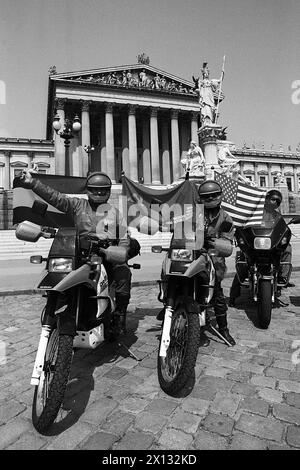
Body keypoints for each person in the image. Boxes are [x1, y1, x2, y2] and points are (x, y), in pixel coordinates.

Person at [21, 170, 132, 334]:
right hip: (80, 254)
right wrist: (33, 183)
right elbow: (56, 197)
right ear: (87, 190)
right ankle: (60, 302)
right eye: (95, 189)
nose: (99, 192)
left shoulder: (116, 213)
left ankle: (120, 314)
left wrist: (120, 251)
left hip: (106, 256)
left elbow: (123, 239)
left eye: (103, 189)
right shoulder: (77, 205)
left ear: (109, 191)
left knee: (123, 273)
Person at [229, 189, 292, 306]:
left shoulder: (277, 215)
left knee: (287, 248)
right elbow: (244, 223)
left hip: (270, 243)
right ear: (267, 199)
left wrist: (285, 232)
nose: (275, 202)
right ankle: (233, 296)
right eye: (273, 199)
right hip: (255, 241)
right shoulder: (254, 211)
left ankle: (283, 276)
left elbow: (282, 227)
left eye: (278, 201)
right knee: (243, 259)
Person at [198, 180, 236, 346]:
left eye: (214, 195)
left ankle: (223, 328)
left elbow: (227, 242)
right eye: (206, 196)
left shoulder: (225, 217)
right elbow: (180, 228)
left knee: (218, 294)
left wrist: (211, 241)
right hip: (193, 254)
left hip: (214, 258)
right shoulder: (193, 213)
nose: (211, 198)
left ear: (220, 196)